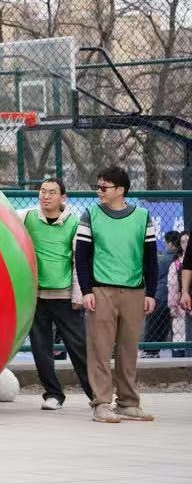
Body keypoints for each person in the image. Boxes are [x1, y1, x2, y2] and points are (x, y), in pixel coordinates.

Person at [75, 166, 158, 423]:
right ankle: (101, 403)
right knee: (99, 350)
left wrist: (151, 293)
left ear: (120, 190)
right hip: (101, 291)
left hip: (135, 292)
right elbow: (81, 257)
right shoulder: (90, 215)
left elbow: (151, 258)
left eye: (104, 187)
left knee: (128, 350)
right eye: (98, 186)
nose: (99, 191)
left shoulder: (143, 217)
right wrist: (86, 291)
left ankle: (128, 403)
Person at [19, 177, 94, 411]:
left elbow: (79, 260)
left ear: (63, 197)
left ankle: (97, 396)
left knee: (80, 348)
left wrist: (78, 294)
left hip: (65, 298)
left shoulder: (74, 223)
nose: (46, 196)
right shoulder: (26, 217)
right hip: (36, 297)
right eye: (42, 191)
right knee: (41, 350)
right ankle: (53, 394)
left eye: (52, 192)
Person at [146, 230, 181, 356]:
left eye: (166, 243)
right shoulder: (180, 259)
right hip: (175, 298)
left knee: (153, 325)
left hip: (161, 296)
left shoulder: (164, 259)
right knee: (167, 326)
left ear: (170, 243)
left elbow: (154, 276)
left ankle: (150, 350)